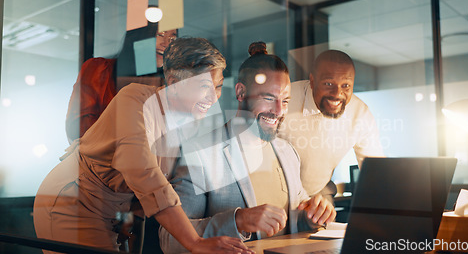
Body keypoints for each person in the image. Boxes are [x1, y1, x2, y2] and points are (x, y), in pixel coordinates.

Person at [33, 37, 252, 254]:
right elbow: (143, 174)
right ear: (175, 83)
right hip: (73, 201)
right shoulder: (134, 99)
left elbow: (155, 185)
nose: (214, 98)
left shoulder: (186, 124)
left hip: (113, 212)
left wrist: (130, 220)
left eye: (218, 86)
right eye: (205, 86)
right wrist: (195, 241)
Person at [159, 42, 336, 253]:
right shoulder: (200, 153)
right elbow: (170, 240)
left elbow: (293, 220)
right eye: (268, 98)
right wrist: (238, 220)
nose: (279, 111)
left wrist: (314, 214)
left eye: (285, 101)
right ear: (241, 92)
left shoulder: (287, 151)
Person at [278, 50, 384, 201]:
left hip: (316, 196)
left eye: (346, 85)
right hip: (273, 194)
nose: (337, 93)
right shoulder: (284, 100)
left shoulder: (360, 113)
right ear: (312, 81)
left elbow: (376, 173)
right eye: (328, 83)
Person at [65, 22, 177, 143]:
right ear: (140, 35)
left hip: (142, 159)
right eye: (160, 34)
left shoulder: (165, 86)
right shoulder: (100, 69)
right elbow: (79, 127)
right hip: (105, 157)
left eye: (172, 39)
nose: (166, 44)